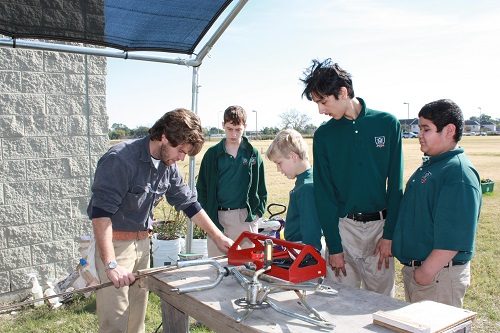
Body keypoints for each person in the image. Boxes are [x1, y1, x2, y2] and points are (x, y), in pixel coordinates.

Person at [87, 108, 233, 333]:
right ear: (164, 136)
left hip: (143, 245)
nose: (182, 158)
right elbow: (100, 215)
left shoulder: (168, 166)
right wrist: (111, 264)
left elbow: (189, 204)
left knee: (136, 319)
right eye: (181, 150)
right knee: (115, 323)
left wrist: (219, 237)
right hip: (116, 247)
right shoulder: (120, 159)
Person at [301, 58, 403, 296]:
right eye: (317, 103)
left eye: (323, 101)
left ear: (343, 92)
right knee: (338, 304)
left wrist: (388, 236)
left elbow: (395, 186)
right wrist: (334, 247)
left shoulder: (387, 124)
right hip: (343, 230)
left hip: (380, 230)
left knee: (381, 304)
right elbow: (323, 195)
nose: (320, 110)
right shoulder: (323, 136)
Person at [392, 99, 481, 307]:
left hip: (438, 276)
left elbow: (454, 236)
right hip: (424, 274)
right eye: (420, 128)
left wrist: (425, 273)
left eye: (426, 129)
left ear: (449, 130)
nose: (419, 135)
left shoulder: (457, 172)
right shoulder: (436, 165)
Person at [196, 105, 267, 257]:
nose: (233, 134)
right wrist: (207, 216)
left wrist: (256, 214)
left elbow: (261, 188)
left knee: (247, 265)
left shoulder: (253, 154)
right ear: (223, 125)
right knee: (217, 267)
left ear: (245, 127)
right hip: (217, 218)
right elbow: (201, 187)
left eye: (238, 129)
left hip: (244, 218)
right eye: (229, 129)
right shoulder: (212, 154)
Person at [265, 129, 322, 251]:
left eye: (279, 163)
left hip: (302, 249)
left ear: (293, 156)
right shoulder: (307, 179)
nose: (278, 169)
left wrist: (308, 257)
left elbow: (311, 232)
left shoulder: (306, 188)